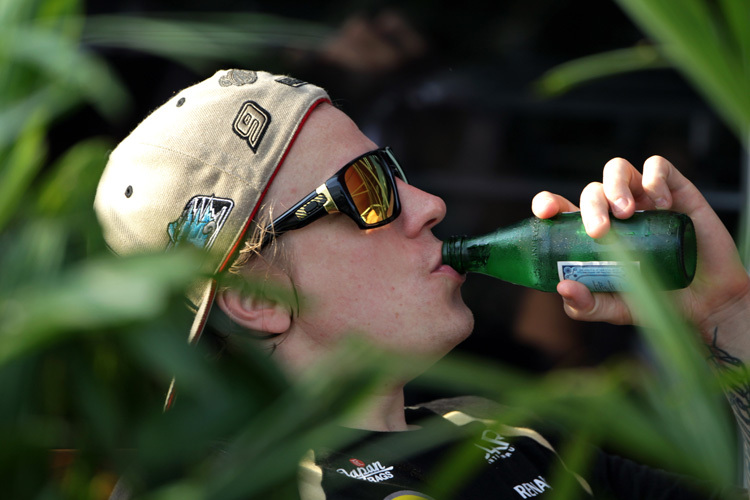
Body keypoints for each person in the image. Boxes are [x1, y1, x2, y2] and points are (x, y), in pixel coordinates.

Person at [95, 69, 750, 499]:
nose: (431, 204)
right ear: (253, 296)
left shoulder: (505, 433)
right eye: (366, 191)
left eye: (394, 170)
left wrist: (725, 311)